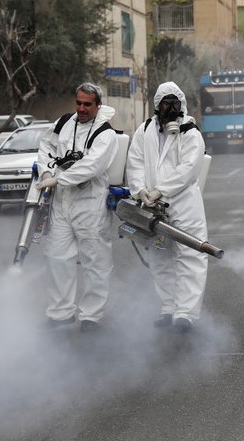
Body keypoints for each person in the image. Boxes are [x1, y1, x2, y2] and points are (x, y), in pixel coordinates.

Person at [125, 82, 210, 333]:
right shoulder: (145, 130)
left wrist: (161, 190)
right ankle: (168, 307)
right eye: (166, 104)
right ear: (157, 106)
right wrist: (140, 190)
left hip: (184, 205)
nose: (171, 109)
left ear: (181, 105)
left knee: (189, 256)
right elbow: (135, 162)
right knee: (160, 255)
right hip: (151, 205)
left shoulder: (190, 132)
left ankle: (186, 313)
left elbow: (188, 169)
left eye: (175, 104)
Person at [35, 83, 120, 332]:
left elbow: (91, 166)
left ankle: (91, 316)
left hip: (90, 203)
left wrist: (58, 178)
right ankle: (60, 312)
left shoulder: (106, 133)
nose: (81, 108)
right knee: (57, 257)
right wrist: (47, 170)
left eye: (87, 104)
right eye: (79, 103)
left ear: (98, 105)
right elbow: (46, 147)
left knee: (95, 261)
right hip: (62, 202)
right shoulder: (63, 123)